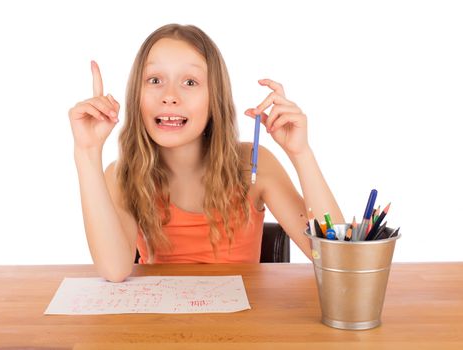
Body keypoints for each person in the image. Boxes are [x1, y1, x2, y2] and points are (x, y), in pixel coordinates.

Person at [68, 23, 344, 282]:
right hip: (160, 324)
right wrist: (87, 152)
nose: (170, 95)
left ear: (215, 99)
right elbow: (114, 270)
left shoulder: (252, 164)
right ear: (135, 97)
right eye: (154, 80)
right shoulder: (122, 175)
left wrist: (301, 153)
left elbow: (339, 260)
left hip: (240, 328)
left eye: (190, 82)